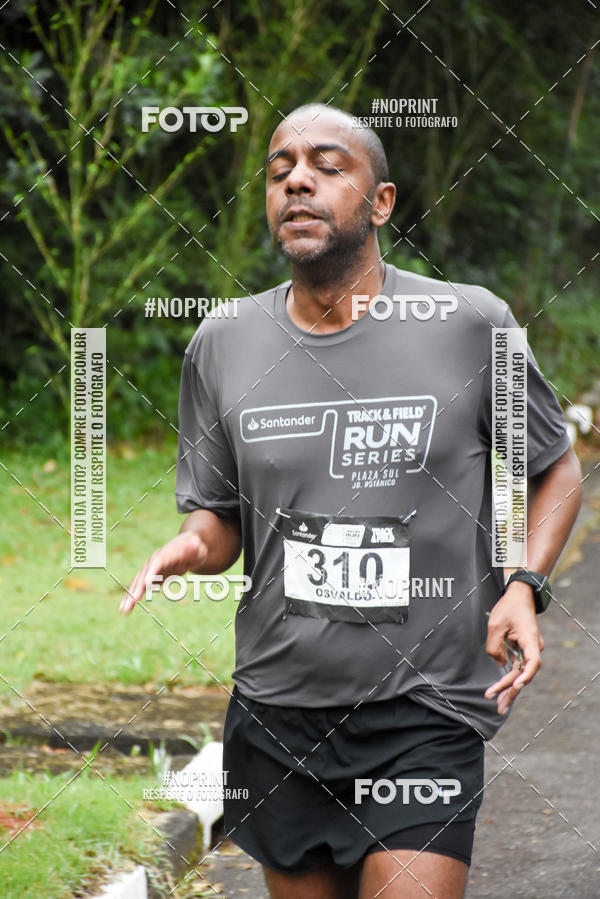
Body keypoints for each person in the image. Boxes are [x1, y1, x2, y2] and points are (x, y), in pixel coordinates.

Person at [120, 103, 582, 898]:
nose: (297, 179)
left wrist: (522, 584)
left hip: (424, 710)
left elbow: (557, 468)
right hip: (278, 709)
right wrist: (194, 546)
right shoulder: (222, 343)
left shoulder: (468, 324)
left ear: (381, 202)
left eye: (328, 166)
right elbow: (221, 518)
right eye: (279, 170)